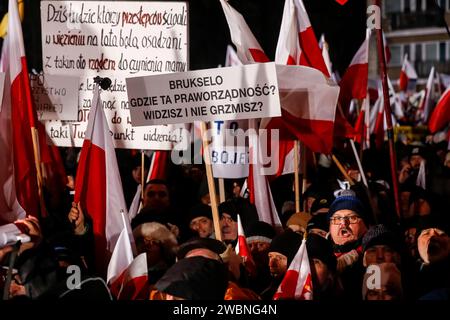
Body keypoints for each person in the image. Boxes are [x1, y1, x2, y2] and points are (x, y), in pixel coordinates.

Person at [327, 190, 371, 300]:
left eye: (352, 218)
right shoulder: (316, 256)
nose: (343, 223)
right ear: (329, 227)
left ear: (365, 225)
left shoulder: (372, 258)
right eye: (337, 218)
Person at [260, 229, 302, 300]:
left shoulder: (302, 293)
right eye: (270, 256)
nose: (271, 264)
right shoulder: (264, 291)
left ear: (293, 260)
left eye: (279, 258)